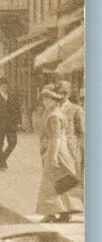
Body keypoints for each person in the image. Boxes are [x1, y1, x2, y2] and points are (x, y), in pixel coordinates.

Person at [37, 84, 83, 222]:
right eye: (44, 99)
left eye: (46, 99)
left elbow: (56, 137)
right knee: (59, 179)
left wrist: (54, 156)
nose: (44, 102)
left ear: (53, 100)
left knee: (51, 180)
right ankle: (62, 211)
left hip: (57, 149)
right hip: (57, 148)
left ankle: (52, 212)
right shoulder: (52, 112)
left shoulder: (55, 115)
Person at [0, 77, 20, 170]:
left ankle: (2, 159)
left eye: (6, 87)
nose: (4, 88)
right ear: (0, 87)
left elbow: (17, 110)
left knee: (13, 142)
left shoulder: (13, 97)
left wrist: (18, 122)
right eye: (3, 87)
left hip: (11, 125)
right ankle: (0, 165)